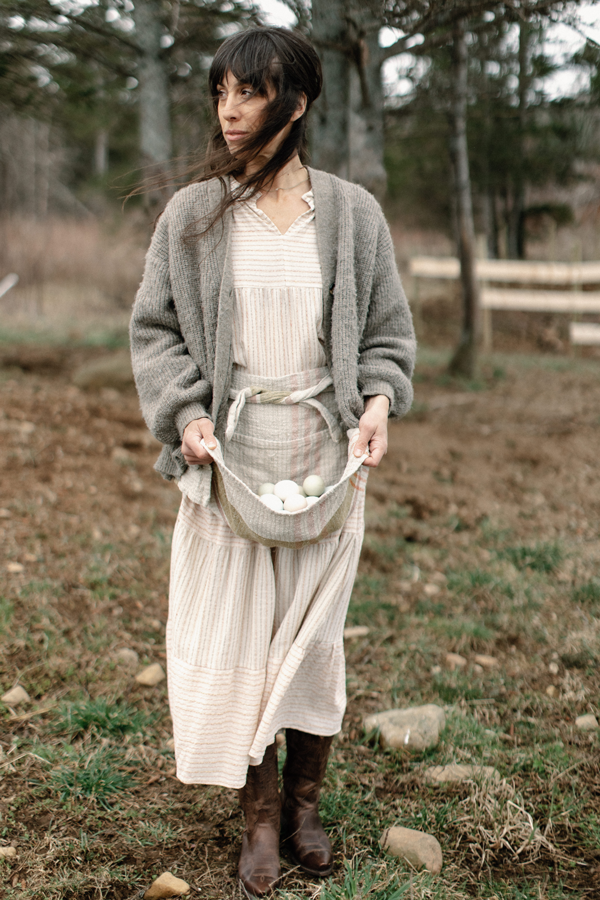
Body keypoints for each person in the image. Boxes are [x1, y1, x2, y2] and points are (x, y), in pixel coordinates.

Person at [130, 26, 416, 899]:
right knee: (243, 638)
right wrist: (184, 413)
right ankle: (255, 818)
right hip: (232, 463)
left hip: (326, 456)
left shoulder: (353, 214)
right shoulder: (193, 216)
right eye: (220, 92)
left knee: (313, 637)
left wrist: (376, 404)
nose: (229, 110)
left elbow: (385, 334)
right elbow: (155, 330)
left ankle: (303, 809)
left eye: (248, 93)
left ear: (295, 101)